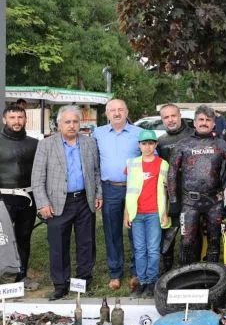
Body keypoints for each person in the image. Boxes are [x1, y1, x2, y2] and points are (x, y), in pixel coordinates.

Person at [31, 106, 102, 300]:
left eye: (75, 122)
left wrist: (98, 194)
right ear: (59, 124)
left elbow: (96, 172)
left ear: (80, 123)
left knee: (86, 243)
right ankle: (60, 285)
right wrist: (42, 203)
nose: (71, 126)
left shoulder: (89, 143)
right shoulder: (46, 145)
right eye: (67, 122)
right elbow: (37, 179)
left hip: (84, 200)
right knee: (58, 245)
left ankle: (83, 281)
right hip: (56, 203)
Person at [167, 105, 226, 265]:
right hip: (189, 203)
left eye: (208, 120)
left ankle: (212, 280)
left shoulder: (221, 144)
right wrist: (174, 202)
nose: (204, 123)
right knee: (186, 242)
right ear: (195, 122)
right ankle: (186, 277)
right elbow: (171, 173)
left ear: (213, 124)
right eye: (201, 119)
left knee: (214, 240)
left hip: (214, 203)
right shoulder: (183, 144)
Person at [92, 99, 143, 292]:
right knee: (112, 231)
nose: (116, 113)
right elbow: (94, 164)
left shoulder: (139, 134)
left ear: (127, 111)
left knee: (135, 230)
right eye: (112, 110)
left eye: (120, 109)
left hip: (134, 189)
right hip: (110, 188)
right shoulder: (98, 134)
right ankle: (115, 272)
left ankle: (137, 271)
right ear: (107, 113)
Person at [123, 130, 170, 298]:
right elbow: (129, 191)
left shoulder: (162, 164)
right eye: (144, 143)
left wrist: (164, 213)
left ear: (155, 145)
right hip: (137, 213)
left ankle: (152, 281)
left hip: (154, 213)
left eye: (151, 143)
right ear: (139, 145)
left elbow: (165, 191)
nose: (147, 147)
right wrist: (127, 214)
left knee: (153, 249)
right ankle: (141, 281)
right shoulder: (132, 164)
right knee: (139, 249)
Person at [0, 103, 40, 290]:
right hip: (3, 199)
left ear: (25, 119)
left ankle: (21, 276)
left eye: (20, 117)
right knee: (2, 240)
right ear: (4, 120)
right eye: (12, 117)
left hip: (27, 198)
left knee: (24, 238)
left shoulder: (35, 144)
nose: (16, 121)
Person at [156, 104, 194, 272]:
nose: (170, 120)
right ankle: (167, 268)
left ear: (180, 116)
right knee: (169, 232)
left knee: (191, 234)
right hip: (170, 195)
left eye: (173, 116)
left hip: (193, 194)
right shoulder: (161, 142)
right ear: (162, 120)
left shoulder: (194, 136)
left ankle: (189, 268)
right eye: (166, 117)